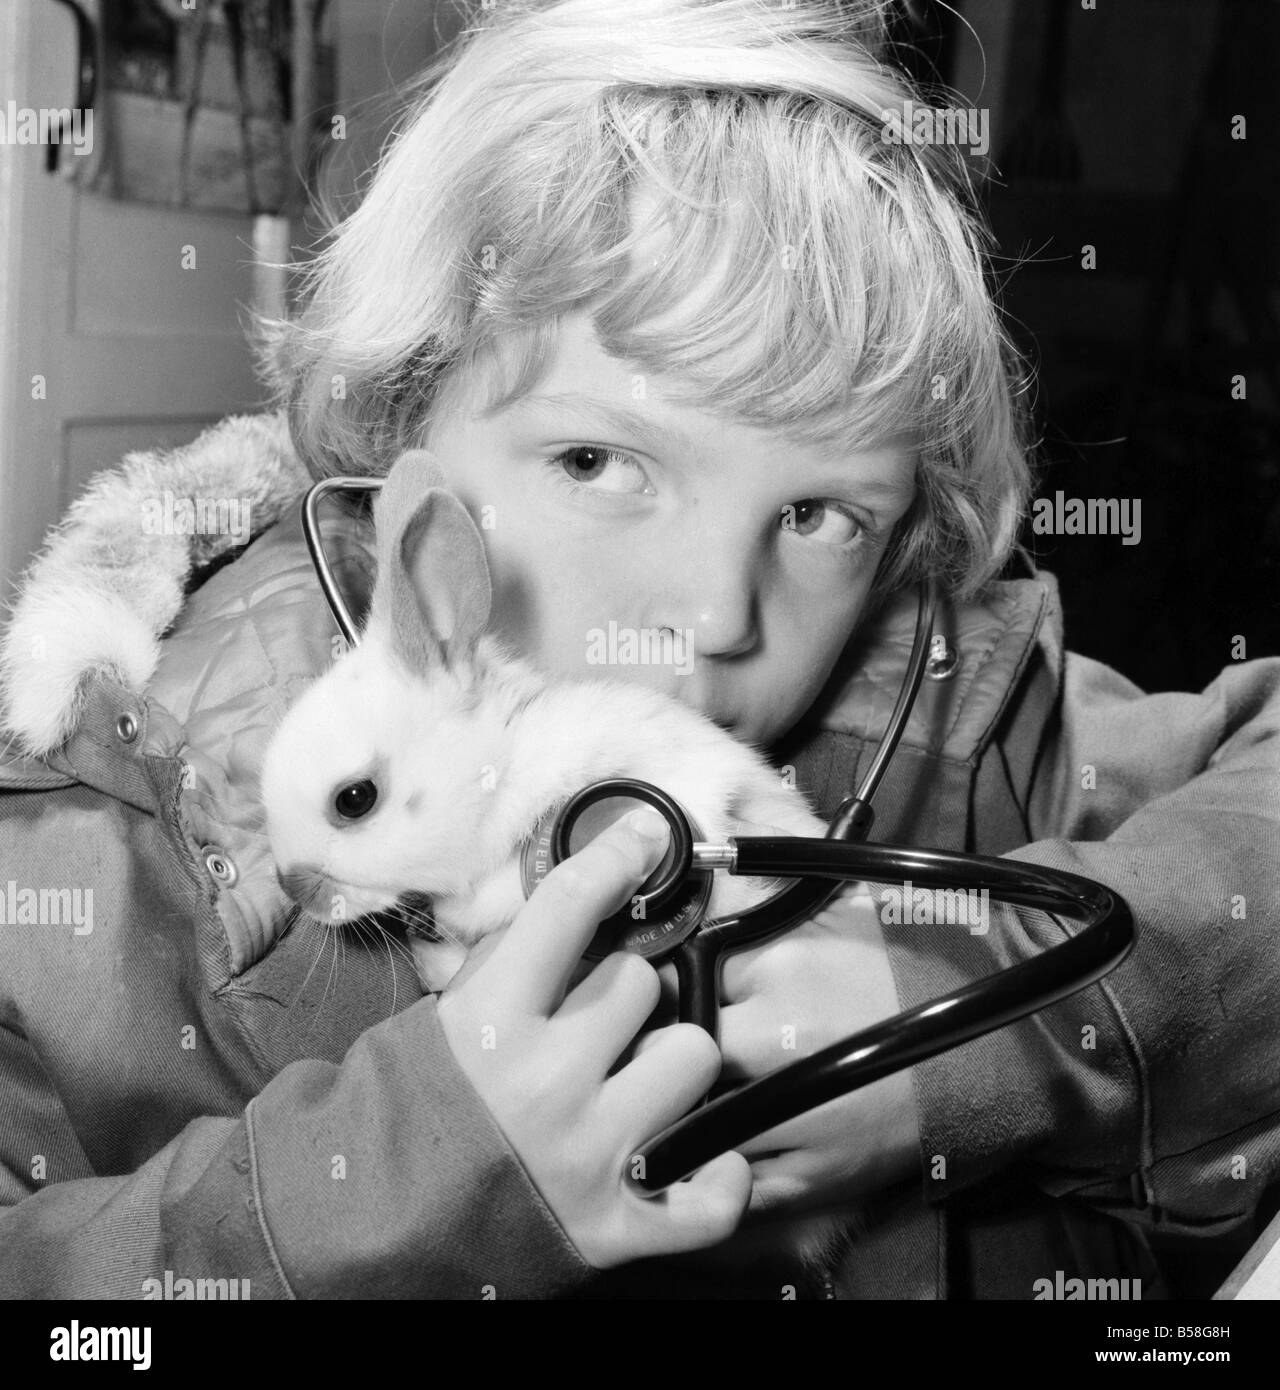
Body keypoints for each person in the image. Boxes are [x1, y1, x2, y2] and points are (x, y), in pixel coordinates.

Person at [1, 0, 1277, 1300]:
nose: (717, 610)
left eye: (819, 513)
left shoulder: (947, 698)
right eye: (598, 460)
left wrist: (978, 1022)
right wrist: (389, 1182)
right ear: (402, 426)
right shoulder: (105, 862)